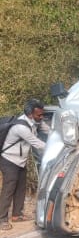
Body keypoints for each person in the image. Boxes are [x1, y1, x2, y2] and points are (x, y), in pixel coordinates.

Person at [0, 99, 50, 231]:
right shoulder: (21, 127)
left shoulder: (36, 121)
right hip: (9, 160)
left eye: (42, 114)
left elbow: (49, 131)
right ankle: (2, 219)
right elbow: (37, 143)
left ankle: (17, 215)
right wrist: (57, 148)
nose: (42, 117)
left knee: (21, 188)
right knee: (8, 189)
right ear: (30, 115)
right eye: (39, 115)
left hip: (20, 161)